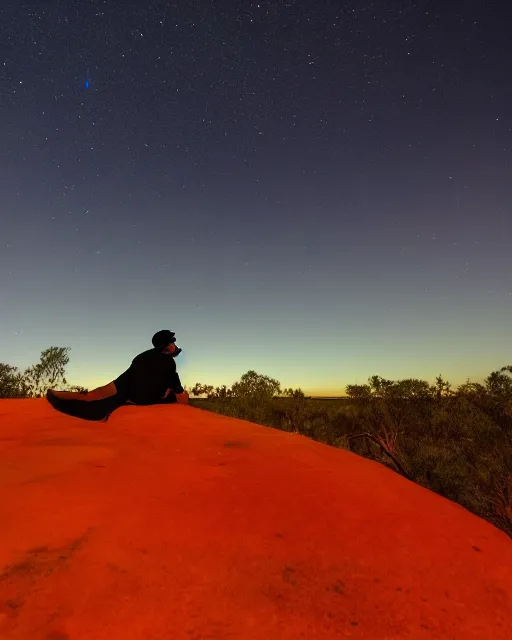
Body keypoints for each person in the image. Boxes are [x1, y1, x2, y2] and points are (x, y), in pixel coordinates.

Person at [46, 330, 189, 422]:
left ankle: (58, 395)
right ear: (164, 346)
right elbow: (176, 387)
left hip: (122, 387)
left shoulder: (142, 357)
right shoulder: (169, 363)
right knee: (183, 397)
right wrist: (175, 391)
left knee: (92, 395)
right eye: (172, 344)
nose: (175, 346)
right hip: (140, 397)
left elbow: (129, 376)